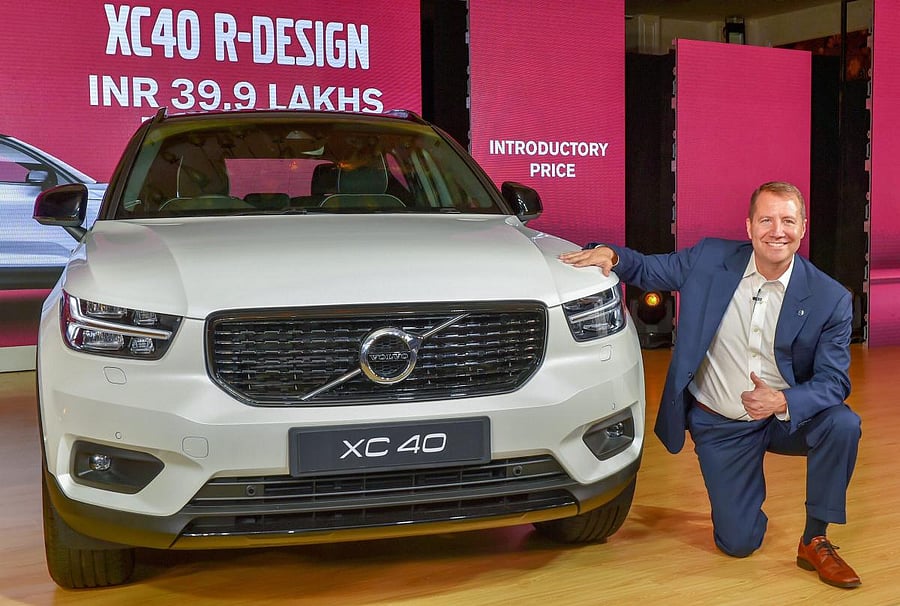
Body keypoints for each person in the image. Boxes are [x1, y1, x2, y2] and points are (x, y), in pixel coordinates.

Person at [559, 181, 862, 589]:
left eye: (788, 220)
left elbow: (834, 380)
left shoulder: (829, 297)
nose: (778, 230)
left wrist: (782, 399)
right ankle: (743, 502)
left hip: (783, 417)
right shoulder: (710, 259)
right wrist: (610, 253)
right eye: (767, 219)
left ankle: (815, 538)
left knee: (842, 424)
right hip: (722, 422)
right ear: (750, 226)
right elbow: (649, 269)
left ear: (803, 228)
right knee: (738, 543)